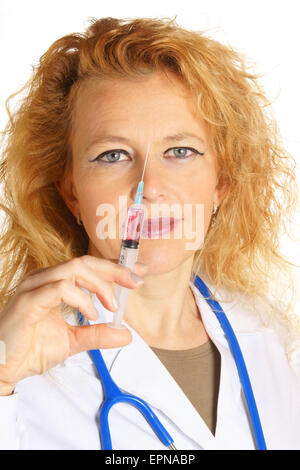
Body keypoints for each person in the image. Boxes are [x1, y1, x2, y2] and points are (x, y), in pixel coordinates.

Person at [0, 16, 299, 450]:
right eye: (113, 154)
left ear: (221, 183)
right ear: (71, 194)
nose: (150, 188)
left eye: (180, 151)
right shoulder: (20, 358)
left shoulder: (270, 337)